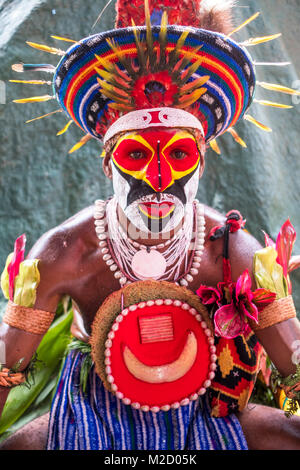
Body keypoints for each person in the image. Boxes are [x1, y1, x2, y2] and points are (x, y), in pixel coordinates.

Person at [1, 0, 300, 450]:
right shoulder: (67, 252)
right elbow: (5, 368)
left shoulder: (230, 251)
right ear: (107, 164)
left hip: (210, 413)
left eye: (178, 154)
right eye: (136, 155)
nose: (159, 178)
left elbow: (293, 367)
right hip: (89, 415)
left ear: (200, 163)